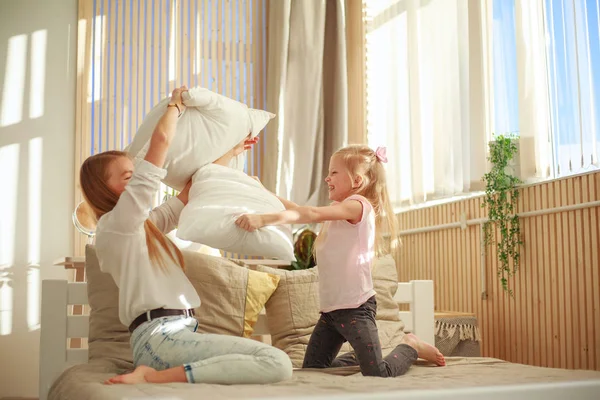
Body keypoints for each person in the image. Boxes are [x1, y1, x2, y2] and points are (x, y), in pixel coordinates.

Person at [80, 86, 292, 385]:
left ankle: (157, 375)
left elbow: (189, 194)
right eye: (129, 176)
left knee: (269, 361)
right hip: (161, 338)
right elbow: (162, 143)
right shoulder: (116, 225)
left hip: (172, 336)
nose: (138, 177)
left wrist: (232, 149)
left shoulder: (139, 227)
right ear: (104, 189)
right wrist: (176, 106)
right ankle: (154, 378)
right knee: (277, 362)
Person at [236, 144, 445, 377]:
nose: (327, 178)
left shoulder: (359, 207)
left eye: (334, 172)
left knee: (378, 373)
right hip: (331, 314)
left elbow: (310, 213)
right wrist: (263, 192)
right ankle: (361, 356)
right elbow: (300, 210)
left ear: (356, 181)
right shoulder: (338, 210)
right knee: (314, 370)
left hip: (356, 309)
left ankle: (410, 346)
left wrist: (262, 219)